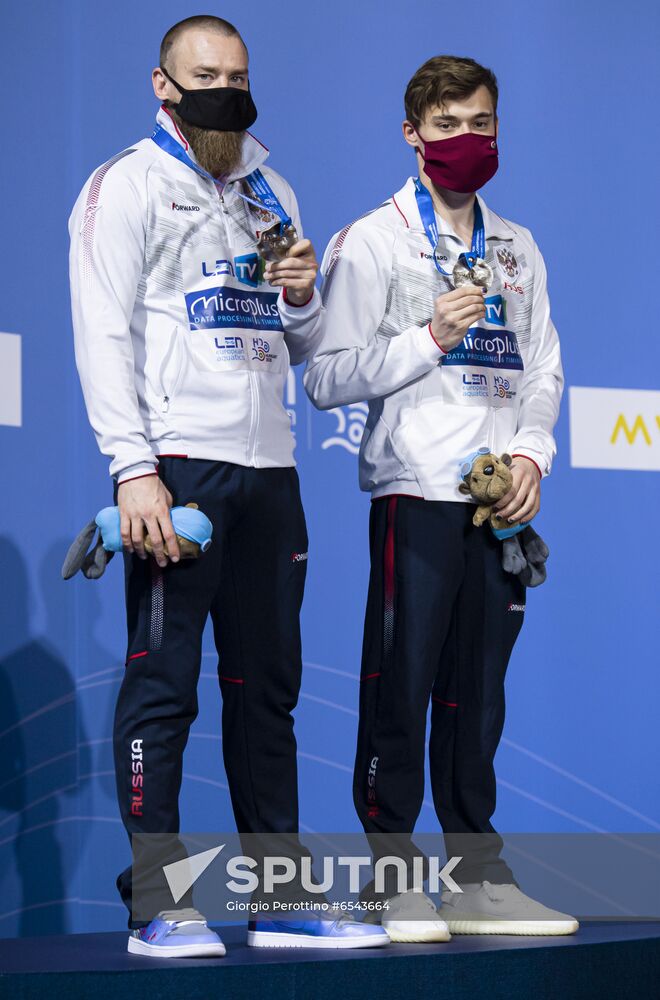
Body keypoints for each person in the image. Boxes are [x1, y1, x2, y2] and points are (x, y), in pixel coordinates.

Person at [69, 14, 387, 957]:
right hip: (179, 467)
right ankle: (155, 905)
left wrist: (301, 292)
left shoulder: (271, 187)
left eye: (239, 73)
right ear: (162, 84)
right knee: (164, 690)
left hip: (273, 473)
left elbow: (303, 342)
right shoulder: (125, 186)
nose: (226, 88)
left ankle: (278, 896)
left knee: (269, 693)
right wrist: (134, 471)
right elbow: (101, 333)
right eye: (205, 73)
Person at [304, 55, 578, 941]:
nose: (469, 140)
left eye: (483, 124)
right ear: (413, 133)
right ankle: (392, 875)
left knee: (479, 696)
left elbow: (543, 369)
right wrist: (428, 336)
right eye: (450, 124)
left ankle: (477, 876)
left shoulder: (517, 245)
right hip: (416, 494)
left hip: (494, 505)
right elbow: (327, 380)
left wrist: (532, 455)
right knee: (403, 685)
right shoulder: (374, 239)